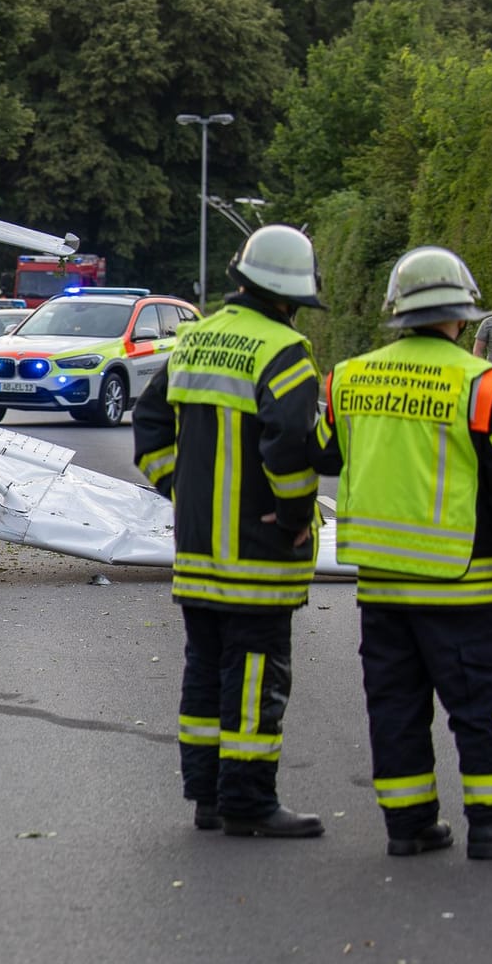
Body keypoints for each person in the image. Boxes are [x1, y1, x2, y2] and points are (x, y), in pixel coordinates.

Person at [312, 246, 492, 859]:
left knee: (395, 704)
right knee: (480, 704)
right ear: (463, 315)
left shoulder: (350, 376)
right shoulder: (482, 384)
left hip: (382, 582)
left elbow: (324, 456)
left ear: (397, 310)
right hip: (459, 581)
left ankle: (409, 826)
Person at [132, 225, 326, 839]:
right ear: (290, 296)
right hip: (259, 556)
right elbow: (292, 449)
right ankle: (248, 803)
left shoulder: (193, 341)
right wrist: (295, 518)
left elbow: (149, 423)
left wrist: (180, 491)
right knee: (254, 679)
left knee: (206, 670)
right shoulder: (285, 350)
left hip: (197, 551)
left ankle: (209, 797)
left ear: (241, 278)